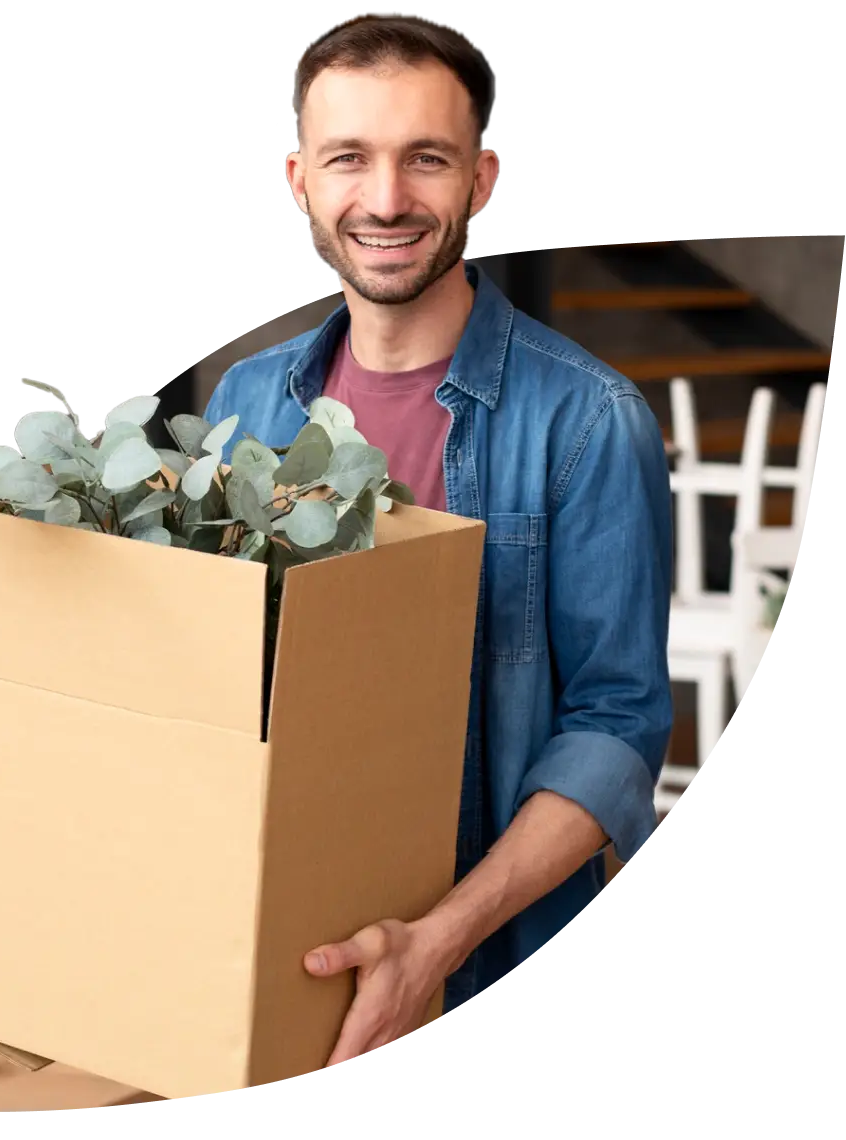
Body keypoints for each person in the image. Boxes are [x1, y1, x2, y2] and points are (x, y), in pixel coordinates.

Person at [204, 12, 673, 1068]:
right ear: (297, 181)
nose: (384, 200)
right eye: (347, 158)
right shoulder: (243, 405)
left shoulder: (589, 423)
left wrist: (435, 944)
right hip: (277, 954)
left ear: (481, 178)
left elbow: (615, 729)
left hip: (489, 959)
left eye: (425, 158)